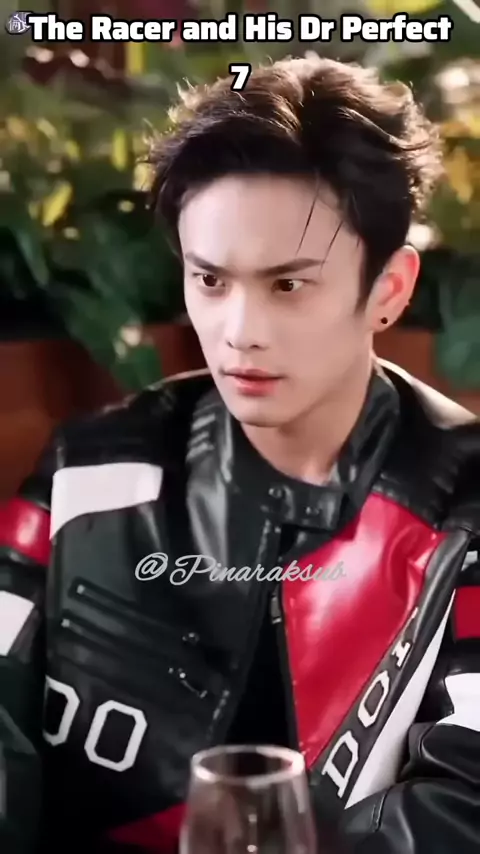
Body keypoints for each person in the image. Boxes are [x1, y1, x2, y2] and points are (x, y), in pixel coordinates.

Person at [1, 54, 480, 854]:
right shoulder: (91, 469)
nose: (239, 332)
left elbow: (466, 802)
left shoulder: (466, 506)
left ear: (389, 289)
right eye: (211, 281)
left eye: (288, 285)